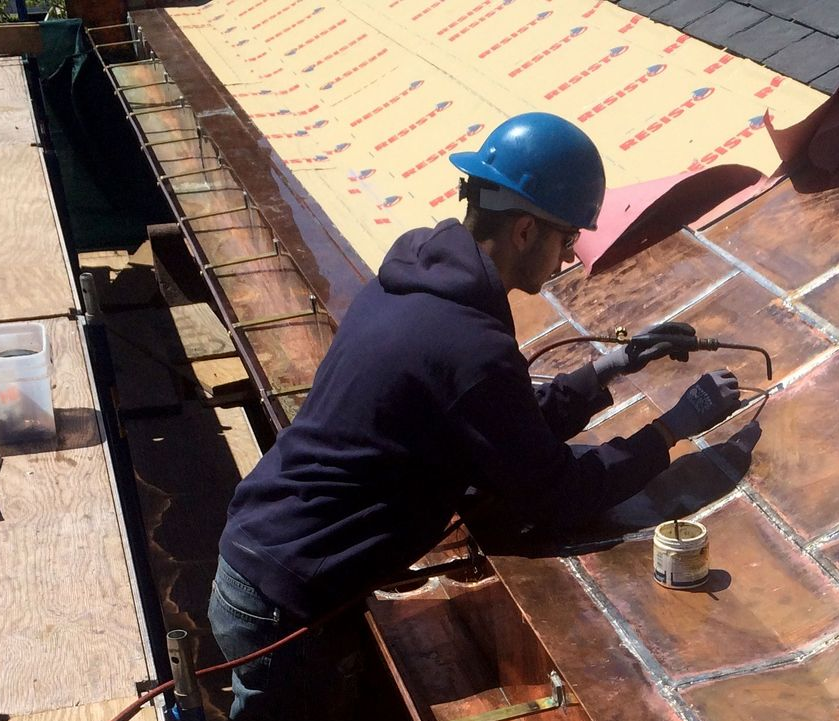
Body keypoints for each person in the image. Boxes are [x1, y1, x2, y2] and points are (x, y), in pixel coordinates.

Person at [205, 112, 743, 720]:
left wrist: (607, 369)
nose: (568, 258)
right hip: (286, 604)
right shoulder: (468, 341)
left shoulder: (413, 283)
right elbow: (553, 493)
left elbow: (498, 423)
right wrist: (669, 430)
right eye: (566, 240)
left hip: (265, 558)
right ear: (522, 231)